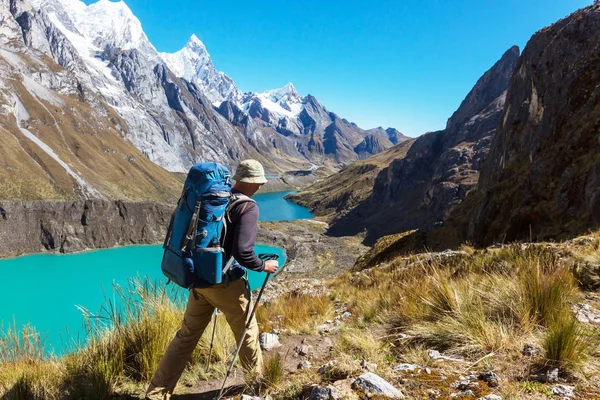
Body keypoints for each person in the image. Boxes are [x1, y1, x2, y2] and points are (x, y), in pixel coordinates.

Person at [146, 159, 279, 400]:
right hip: (227, 285)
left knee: (186, 336)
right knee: (247, 331)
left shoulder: (216, 199)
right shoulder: (247, 207)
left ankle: (157, 392)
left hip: (200, 281)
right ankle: (257, 386)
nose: (260, 186)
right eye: (259, 182)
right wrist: (263, 265)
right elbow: (244, 252)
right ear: (254, 181)